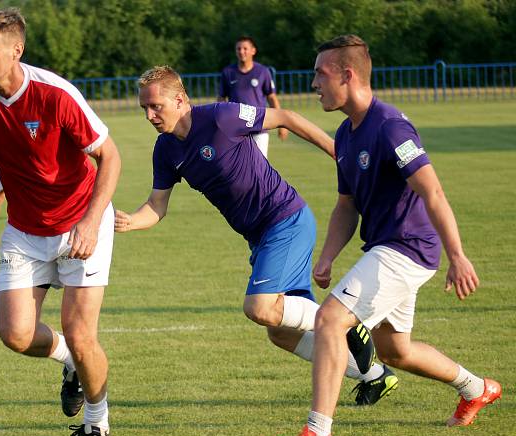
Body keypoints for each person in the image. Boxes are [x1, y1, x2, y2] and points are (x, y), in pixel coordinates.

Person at [268, 35, 501, 436]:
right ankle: (476, 387)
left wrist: (458, 255)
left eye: (320, 74)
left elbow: (432, 192)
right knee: (396, 350)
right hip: (386, 246)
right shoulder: (345, 133)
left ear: (348, 74)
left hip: (407, 247)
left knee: (330, 321)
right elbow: (347, 204)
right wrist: (326, 256)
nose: (313, 84)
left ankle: (319, 433)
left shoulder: (391, 126)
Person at [116, 65, 397, 407]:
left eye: (155, 106)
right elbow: (156, 206)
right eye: (144, 108)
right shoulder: (165, 150)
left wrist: (339, 154)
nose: (149, 115)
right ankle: (372, 375)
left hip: (286, 220)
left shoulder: (221, 117)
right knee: (280, 331)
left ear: (179, 99)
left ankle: (346, 322)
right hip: (260, 237)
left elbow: (287, 117)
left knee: (260, 307)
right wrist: (131, 221)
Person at [0, 8, 121, 436]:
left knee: (83, 333)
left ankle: (96, 422)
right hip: (25, 230)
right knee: (15, 334)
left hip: (82, 221)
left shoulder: (55, 94)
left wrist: (90, 223)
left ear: (16, 50)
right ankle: (70, 363)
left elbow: (111, 157)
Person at [218, 36, 288, 158]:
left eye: (245, 48)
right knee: (239, 166)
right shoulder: (228, 72)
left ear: (253, 51)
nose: (241, 51)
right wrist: (220, 123)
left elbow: (272, 98)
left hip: (259, 127)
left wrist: (282, 125)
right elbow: (221, 100)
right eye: (238, 49)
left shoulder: (263, 71)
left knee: (260, 164)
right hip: (236, 129)